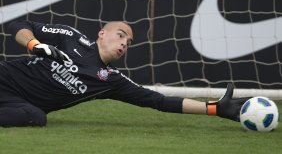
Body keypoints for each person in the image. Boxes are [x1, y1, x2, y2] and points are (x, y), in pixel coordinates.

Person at [0, 20, 249, 127]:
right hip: (4, 76)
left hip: (18, 104)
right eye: (120, 35)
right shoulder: (71, 37)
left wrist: (212, 108)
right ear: (102, 33)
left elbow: (159, 101)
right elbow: (20, 26)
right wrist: (35, 44)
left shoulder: (112, 80)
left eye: (128, 42)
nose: (124, 43)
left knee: (37, 118)